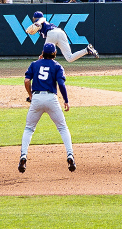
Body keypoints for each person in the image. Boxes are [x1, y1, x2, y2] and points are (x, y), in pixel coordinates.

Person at [19, 41, 76, 173]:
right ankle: (70, 155)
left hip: (37, 98)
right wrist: (66, 100)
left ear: (42, 53)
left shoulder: (34, 64)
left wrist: (30, 95)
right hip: (51, 99)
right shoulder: (58, 66)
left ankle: (23, 156)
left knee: (29, 129)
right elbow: (61, 84)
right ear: (55, 54)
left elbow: (27, 81)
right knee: (62, 128)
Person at [24, 9, 99, 61]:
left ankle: (45, 73)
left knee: (46, 57)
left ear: (34, 18)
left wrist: (38, 22)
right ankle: (86, 50)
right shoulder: (41, 24)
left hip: (52, 33)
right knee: (69, 58)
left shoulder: (39, 21)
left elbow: (42, 20)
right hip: (60, 32)